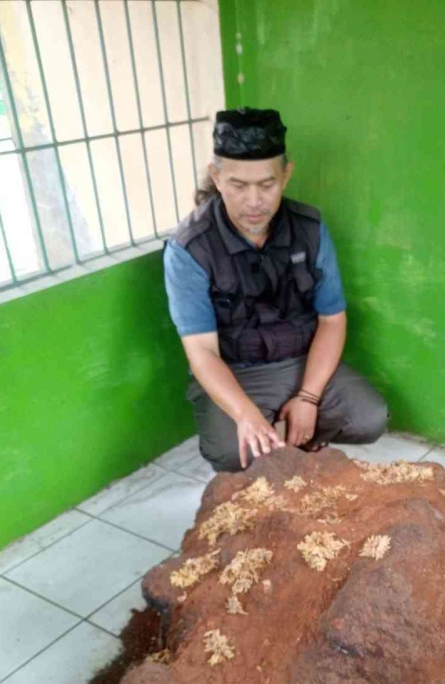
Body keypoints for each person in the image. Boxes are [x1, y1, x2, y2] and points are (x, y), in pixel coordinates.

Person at [163, 107, 388, 472]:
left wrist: (309, 397)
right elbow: (202, 352)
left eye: (266, 185)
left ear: (286, 176)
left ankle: (293, 431)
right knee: (231, 451)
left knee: (369, 417)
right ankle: (276, 433)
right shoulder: (189, 248)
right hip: (235, 370)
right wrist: (246, 415)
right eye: (238, 185)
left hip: (302, 360)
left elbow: (332, 320)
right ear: (216, 178)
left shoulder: (310, 229)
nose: (254, 201)